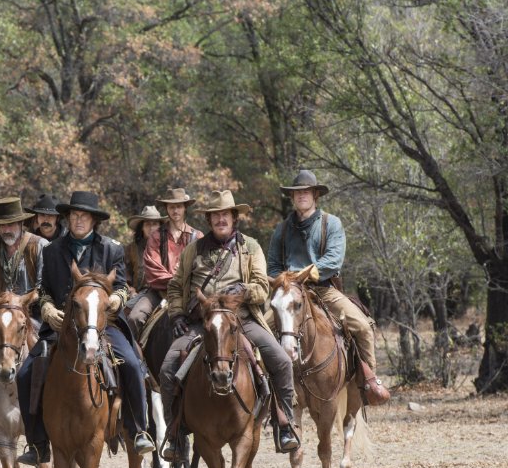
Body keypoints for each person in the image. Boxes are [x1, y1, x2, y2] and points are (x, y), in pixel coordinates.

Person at [15, 190, 156, 466]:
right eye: (74, 215)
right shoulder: (52, 250)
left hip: (104, 324)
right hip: (61, 326)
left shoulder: (111, 248)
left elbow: (122, 287)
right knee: (26, 373)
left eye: (85, 216)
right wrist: (46, 308)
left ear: (94, 220)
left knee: (130, 362)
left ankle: (138, 429)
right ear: (67, 218)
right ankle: (37, 443)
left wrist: (117, 298)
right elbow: (43, 289)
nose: (79, 220)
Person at [160, 190, 299, 453]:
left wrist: (244, 290)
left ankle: (285, 425)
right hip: (202, 324)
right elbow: (176, 286)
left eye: (225, 214)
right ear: (209, 220)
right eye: (215, 215)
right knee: (168, 369)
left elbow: (262, 287)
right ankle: (175, 434)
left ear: (234, 217)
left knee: (281, 362)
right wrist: (177, 313)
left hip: (242, 320)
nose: (220, 219)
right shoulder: (193, 250)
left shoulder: (251, 247)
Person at [268, 169, 390, 405]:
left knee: (363, 327)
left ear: (315, 195)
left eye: (306, 191)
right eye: (297, 192)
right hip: (289, 293)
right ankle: (264, 390)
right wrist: (287, 280)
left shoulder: (331, 223)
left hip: (323, 289)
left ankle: (369, 383)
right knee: (259, 331)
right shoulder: (281, 229)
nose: (302, 195)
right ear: (292, 198)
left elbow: (333, 260)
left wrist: (305, 275)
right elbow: (273, 266)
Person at [130, 189, 202, 333]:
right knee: (134, 318)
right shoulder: (156, 236)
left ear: (185, 208)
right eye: (171, 207)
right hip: (159, 292)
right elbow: (153, 269)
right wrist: (177, 282)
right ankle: (134, 355)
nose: (175, 210)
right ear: (166, 209)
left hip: (190, 293)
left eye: (179, 206)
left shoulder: (198, 237)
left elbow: (202, 269)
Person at [0, 196, 47, 325]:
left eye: (10, 224)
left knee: (49, 342)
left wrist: (25, 300)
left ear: (21, 224)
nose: (6, 230)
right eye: (2, 225)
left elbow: (45, 285)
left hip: (34, 316)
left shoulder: (40, 246)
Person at [123, 205, 165, 298]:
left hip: (164, 295)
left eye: (154, 224)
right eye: (147, 224)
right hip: (139, 295)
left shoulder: (169, 248)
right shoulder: (131, 249)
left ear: (160, 227)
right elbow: (125, 278)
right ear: (141, 227)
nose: (151, 228)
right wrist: (131, 291)